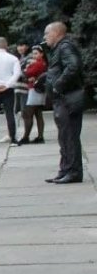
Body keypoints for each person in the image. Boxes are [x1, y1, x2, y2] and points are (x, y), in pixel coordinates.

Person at [43, 21, 85, 183]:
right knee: (64, 136)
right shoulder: (59, 48)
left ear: (56, 33)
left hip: (68, 99)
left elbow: (73, 67)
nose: (45, 37)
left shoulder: (65, 47)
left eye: (47, 34)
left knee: (69, 137)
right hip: (63, 100)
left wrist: (57, 85)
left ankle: (73, 172)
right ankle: (65, 169)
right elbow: (59, 69)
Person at [17, 45, 48, 146]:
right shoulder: (43, 63)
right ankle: (40, 136)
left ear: (41, 54)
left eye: (36, 53)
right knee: (38, 114)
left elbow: (26, 73)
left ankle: (26, 137)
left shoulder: (38, 64)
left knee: (28, 114)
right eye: (33, 54)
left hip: (34, 90)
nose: (34, 56)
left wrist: (27, 70)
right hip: (40, 90)